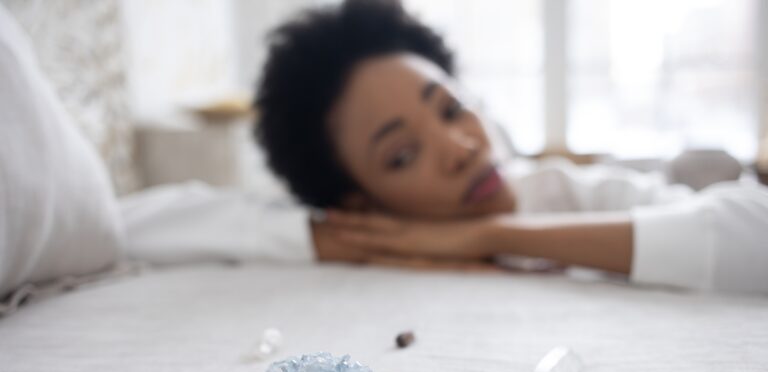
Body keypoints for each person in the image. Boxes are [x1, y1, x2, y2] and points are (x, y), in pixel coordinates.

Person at [252, 0, 768, 294]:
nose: (461, 147)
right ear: (356, 200)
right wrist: (332, 239)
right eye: (403, 154)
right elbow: (176, 217)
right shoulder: (355, 237)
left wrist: (491, 235)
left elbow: (755, 228)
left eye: (452, 109)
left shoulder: (565, 192)